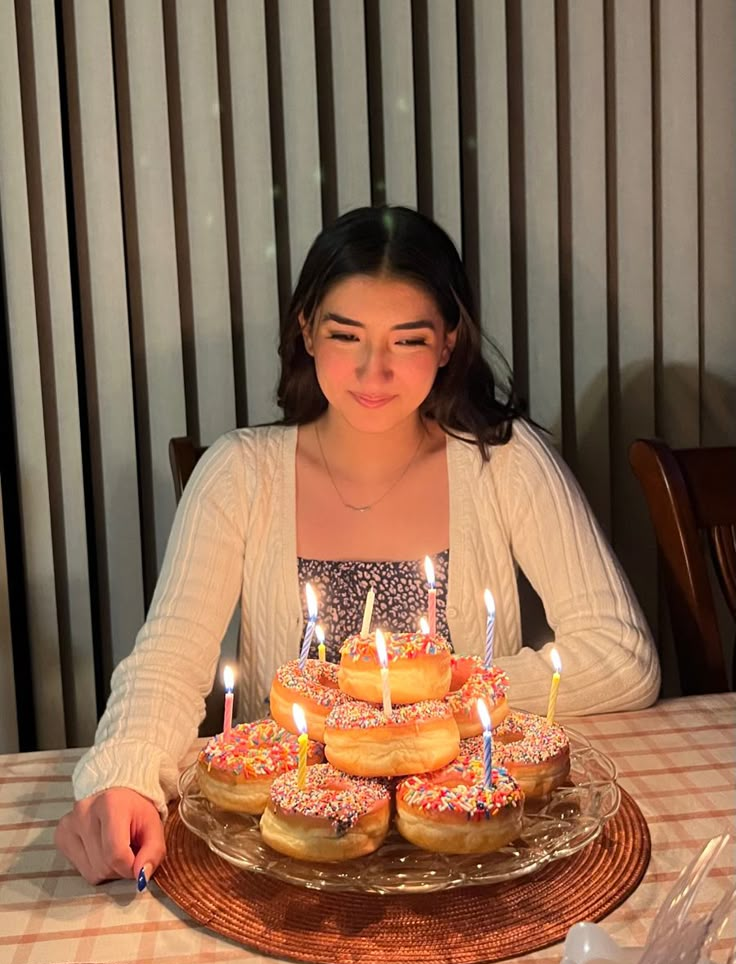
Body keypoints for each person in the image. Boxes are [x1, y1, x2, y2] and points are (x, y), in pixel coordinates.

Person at [55, 205, 660, 887]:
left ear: (450, 342)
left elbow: (622, 655)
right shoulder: (240, 474)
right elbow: (167, 661)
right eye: (348, 335)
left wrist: (435, 707)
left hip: (469, 856)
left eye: (407, 340)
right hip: (288, 860)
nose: (374, 372)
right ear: (307, 330)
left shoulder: (503, 462)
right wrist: (124, 774)